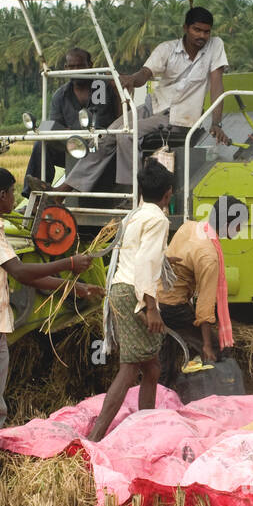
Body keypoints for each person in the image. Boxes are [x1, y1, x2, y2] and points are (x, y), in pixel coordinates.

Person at [0, 167, 103, 471]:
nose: (14, 198)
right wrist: (69, 263)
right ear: (2, 195)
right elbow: (21, 272)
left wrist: (77, 288)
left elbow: (27, 276)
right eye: (12, 193)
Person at [63, 6, 231, 195]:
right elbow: (144, 74)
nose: (202, 36)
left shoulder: (215, 46)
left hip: (178, 117)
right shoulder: (167, 49)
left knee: (127, 134)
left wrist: (216, 122)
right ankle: (65, 189)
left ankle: (133, 193)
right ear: (185, 28)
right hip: (154, 106)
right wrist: (131, 80)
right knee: (106, 135)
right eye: (197, 30)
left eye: (206, 32)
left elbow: (217, 85)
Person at [86, 159, 174, 442]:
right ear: (168, 194)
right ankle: (96, 436)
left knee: (152, 366)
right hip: (134, 293)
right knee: (129, 368)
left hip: (120, 290)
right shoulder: (158, 219)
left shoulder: (134, 215)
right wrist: (151, 308)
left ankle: (143, 426)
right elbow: (146, 263)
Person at [157, 195, 244, 384]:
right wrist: (206, 345)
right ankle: (220, 393)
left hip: (157, 299)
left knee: (165, 364)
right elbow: (204, 306)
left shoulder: (189, 226)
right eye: (239, 225)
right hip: (173, 306)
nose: (240, 229)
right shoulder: (209, 256)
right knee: (219, 351)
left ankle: (159, 397)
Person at [24, 48, 120, 190]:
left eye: (80, 66)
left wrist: (117, 90)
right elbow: (56, 128)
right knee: (41, 144)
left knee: (96, 145)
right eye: (72, 66)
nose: (76, 70)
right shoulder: (60, 95)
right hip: (73, 147)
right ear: (66, 68)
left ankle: (61, 192)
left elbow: (117, 120)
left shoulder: (105, 87)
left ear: (90, 65)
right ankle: (37, 192)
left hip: (102, 148)